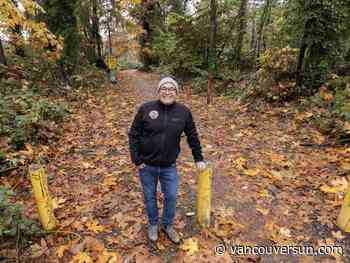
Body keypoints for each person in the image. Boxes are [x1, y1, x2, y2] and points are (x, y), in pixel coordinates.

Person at [128, 76, 207, 244]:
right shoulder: (146, 109)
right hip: (146, 165)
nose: (167, 91)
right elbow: (133, 134)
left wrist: (198, 158)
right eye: (164, 88)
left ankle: (168, 225)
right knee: (149, 196)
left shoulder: (184, 112)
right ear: (158, 91)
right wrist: (137, 160)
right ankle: (153, 224)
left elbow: (192, 136)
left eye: (171, 89)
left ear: (176, 93)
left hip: (168, 166)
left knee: (171, 196)